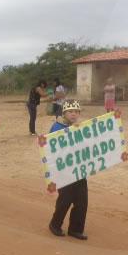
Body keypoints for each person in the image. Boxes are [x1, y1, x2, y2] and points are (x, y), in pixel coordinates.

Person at [47, 99, 89, 240]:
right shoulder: (56, 128)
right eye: (70, 111)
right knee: (65, 199)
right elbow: (52, 149)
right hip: (63, 170)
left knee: (82, 200)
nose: (73, 114)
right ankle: (55, 224)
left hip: (79, 169)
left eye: (76, 111)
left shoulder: (79, 126)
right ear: (64, 112)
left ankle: (76, 229)